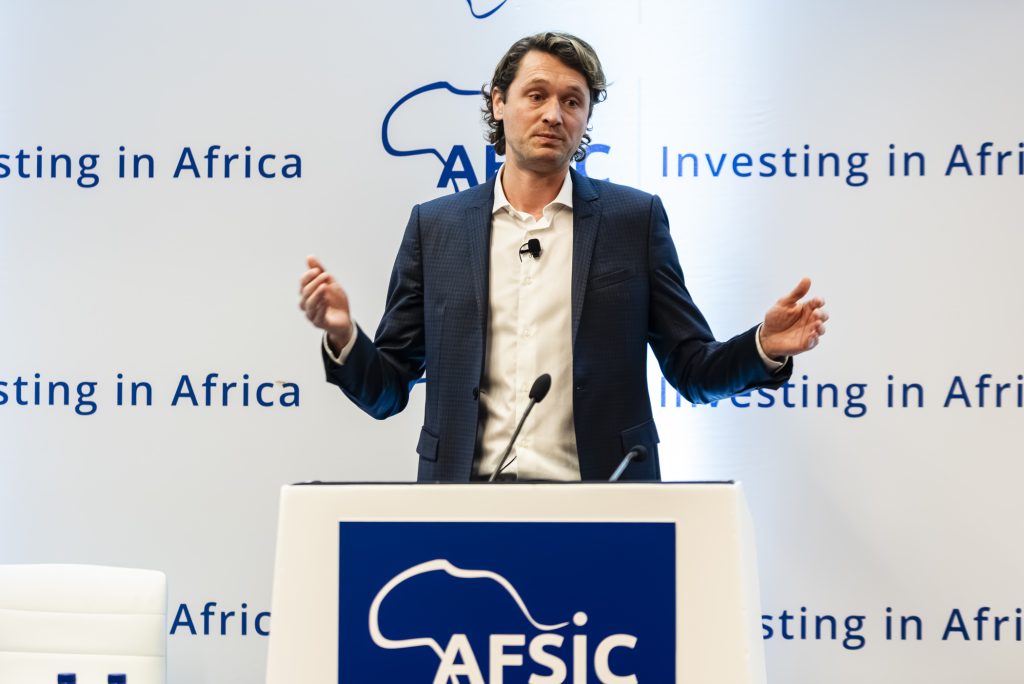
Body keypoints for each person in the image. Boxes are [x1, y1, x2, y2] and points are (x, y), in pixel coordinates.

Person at [299, 32, 827, 482]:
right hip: (465, 504)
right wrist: (345, 336)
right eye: (536, 95)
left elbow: (692, 369)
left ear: (586, 118)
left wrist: (762, 346)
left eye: (573, 102)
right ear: (498, 103)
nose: (554, 114)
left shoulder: (633, 221)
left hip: (601, 504)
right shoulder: (435, 227)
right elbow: (388, 388)